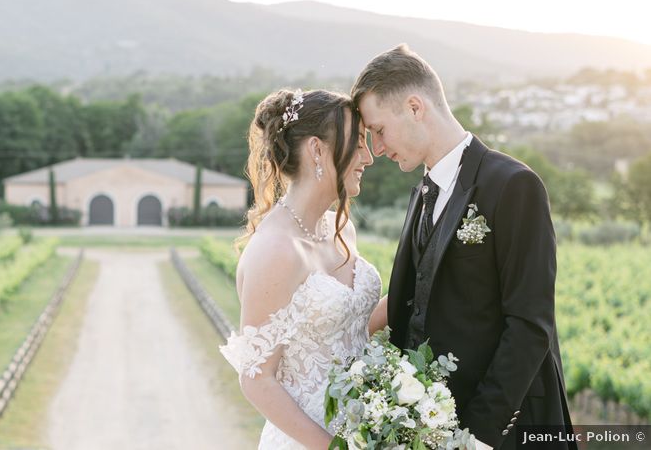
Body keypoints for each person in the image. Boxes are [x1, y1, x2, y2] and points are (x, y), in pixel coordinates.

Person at [351, 44, 576, 450]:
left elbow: (529, 325)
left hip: (506, 433)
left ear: (415, 107)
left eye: (379, 130)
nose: (377, 149)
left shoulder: (513, 185)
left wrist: (473, 437)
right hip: (428, 431)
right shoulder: (421, 193)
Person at [219, 89, 380, 450]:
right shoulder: (276, 249)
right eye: (357, 145)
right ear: (317, 150)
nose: (367, 157)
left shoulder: (341, 229)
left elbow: (347, 326)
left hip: (364, 431)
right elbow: (257, 379)